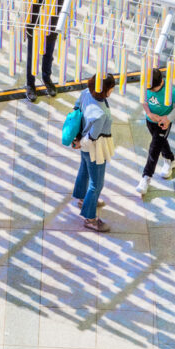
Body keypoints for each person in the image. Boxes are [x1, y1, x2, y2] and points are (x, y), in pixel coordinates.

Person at [71, 73, 117, 233]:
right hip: (95, 149)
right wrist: (80, 144)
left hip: (82, 141)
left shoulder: (85, 93)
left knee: (84, 171)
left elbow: (76, 109)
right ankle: (90, 218)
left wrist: (77, 139)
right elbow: (92, 137)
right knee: (97, 183)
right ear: (107, 90)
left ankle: (82, 199)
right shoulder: (101, 113)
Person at [136, 67, 175, 196]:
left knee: (154, 148)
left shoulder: (170, 91)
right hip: (150, 121)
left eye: (152, 89)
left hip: (164, 124)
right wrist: (149, 113)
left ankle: (146, 177)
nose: (150, 91)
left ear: (161, 82)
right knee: (161, 142)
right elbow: (143, 100)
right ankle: (170, 159)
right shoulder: (146, 85)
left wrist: (169, 118)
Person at [24, 0, 63, 102]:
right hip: (35, 33)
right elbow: (29, 16)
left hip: (50, 33)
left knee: (48, 57)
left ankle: (47, 79)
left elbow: (59, 14)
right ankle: (30, 84)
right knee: (32, 58)